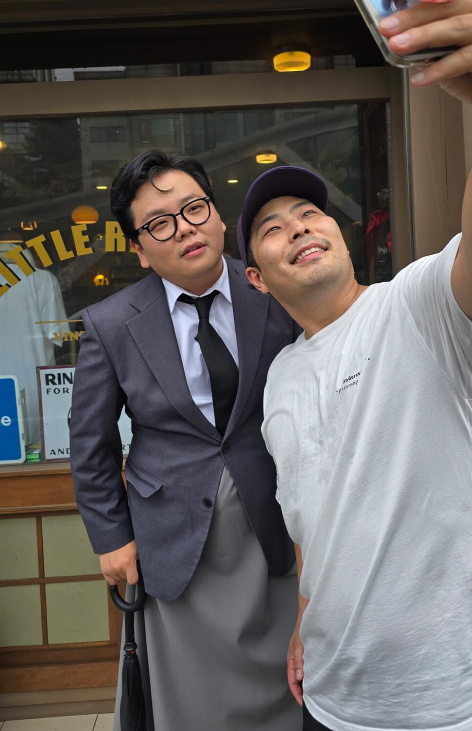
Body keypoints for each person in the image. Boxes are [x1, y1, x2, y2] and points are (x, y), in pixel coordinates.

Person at [236, 0, 472, 731]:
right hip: (337, 699)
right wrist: (305, 616)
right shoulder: (279, 378)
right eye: (273, 227)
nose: (300, 226)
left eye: (310, 211)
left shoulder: (416, 308)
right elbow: (316, 521)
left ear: (340, 235)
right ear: (257, 277)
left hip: (469, 696)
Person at [69, 150, 302, 731]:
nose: (185, 228)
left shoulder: (274, 289)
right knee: (193, 699)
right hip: (171, 533)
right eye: (159, 223)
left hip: (276, 517)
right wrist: (112, 537)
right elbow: (91, 444)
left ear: (219, 217)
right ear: (141, 250)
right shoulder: (111, 323)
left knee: (291, 677)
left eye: (193, 208)